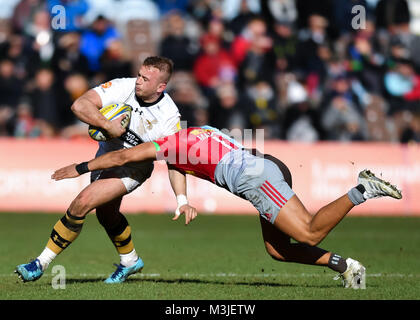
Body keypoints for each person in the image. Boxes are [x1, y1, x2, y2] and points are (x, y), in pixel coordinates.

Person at [50, 126, 402, 289]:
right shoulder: (195, 133)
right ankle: (346, 267)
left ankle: (362, 190)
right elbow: (178, 164)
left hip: (254, 178)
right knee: (278, 250)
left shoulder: (167, 143)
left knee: (309, 231)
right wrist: (183, 200)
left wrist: (80, 168)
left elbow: (125, 155)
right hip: (266, 164)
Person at [15, 56, 196, 283]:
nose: (138, 81)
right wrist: (107, 124)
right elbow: (79, 105)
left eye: (145, 79)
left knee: (83, 202)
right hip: (105, 159)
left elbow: (174, 161)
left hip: (133, 168)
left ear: (161, 87)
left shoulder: (169, 117)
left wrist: (181, 199)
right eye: (139, 74)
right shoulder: (123, 86)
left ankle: (39, 263)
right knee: (106, 214)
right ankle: (130, 261)